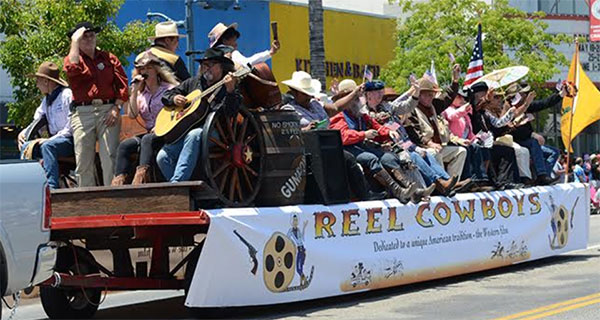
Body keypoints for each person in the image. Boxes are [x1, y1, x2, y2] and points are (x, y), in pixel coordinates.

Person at [281, 75, 386, 201]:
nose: (309, 97)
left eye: (309, 93)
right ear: (295, 93)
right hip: (309, 148)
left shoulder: (316, 104)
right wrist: (305, 130)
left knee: (349, 158)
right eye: (305, 94)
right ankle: (365, 194)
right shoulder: (288, 110)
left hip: (327, 144)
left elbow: (336, 108)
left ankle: (363, 193)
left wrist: (354, 93)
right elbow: (286, 134)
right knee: (349, 158)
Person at [329, 82, 434, 204]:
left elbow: (376, 126)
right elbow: (342, 136)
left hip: (361, 146)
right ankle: (398, 191)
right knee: (371, 158)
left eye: (357, 97)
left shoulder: (360, 115)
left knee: (388, 157)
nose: (357, 100)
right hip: (348, 149)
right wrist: (363, 134)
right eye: (354, 97)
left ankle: (412, 190)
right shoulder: (338, 115)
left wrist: (388, 132)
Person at [158, 47, 241, 182]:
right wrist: (174, 99)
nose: (205, 68)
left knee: (194, 134)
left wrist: (230, 91)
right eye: (203, 65)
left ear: (221, 67)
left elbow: (232, 112)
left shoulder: (228, 85)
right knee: (163, 156)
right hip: (186, 131)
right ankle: (187, 190)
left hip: (215, 133)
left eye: (210, 65)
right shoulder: (193, 83)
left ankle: (177, 185)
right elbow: (166, 95)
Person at [64, 22, 128, 186]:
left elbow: (122, 86)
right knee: (83, 160)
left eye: (92, 34)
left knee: (110, 157)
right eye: (84, 36)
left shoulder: (109, 58)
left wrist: (116, 107)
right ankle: (87, 202)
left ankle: (112, 199)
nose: (89, 38)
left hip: (108, 109)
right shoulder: (73, 58)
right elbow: (72, 69)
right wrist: (74, 42)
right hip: (82, 112)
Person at [111, 52, 178, 185]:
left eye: (149, 68)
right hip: (150, 133)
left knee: (147, 139)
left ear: (157, 70)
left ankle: (141, 180)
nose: (145, 71)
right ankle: (118, 182)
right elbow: (132, 115)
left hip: (168, 131)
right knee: (125, 145)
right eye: (142, 69)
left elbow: (177, 113)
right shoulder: (141, 94)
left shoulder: (169, 89)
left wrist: (160, 126)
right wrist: (134, 91)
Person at [404, 78, 472, 192]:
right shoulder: (411, 109)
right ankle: (441, 186)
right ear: (419, 95)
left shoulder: (433, 106)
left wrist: (455, 81)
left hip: (439, 145)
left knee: (461, 151)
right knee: (434, 153)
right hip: (422, 147)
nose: (430, 97)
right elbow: (413, 132)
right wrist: (428, 143)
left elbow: (448, 97)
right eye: (427, 95)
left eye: (432, 95)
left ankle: (453, 183)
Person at [18, 62, 74, 189]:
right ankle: (27, 184)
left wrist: (49, 140)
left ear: (46, 81)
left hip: (69, 141)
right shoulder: (47, 100)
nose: (37, 84)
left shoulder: (66, 95)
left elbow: (71, 127)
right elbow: (37, 119)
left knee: (48, 146)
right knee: (27, 146)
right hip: (55, 141)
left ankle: (52, 187)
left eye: (38, 81)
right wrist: (24, 132)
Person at [468, 82, 522, 189]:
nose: (489, 97)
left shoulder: (485, 113)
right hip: (475, 143)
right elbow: (477, 107)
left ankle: (505, 181)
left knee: (507, 151)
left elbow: (498, 123)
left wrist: (510, 113)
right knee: (485, 151)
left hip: (488, 143)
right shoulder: (472, 109)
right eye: (484, 94)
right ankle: (484, 182)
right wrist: (487, 99)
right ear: (477, 96)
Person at [208, 22, 280, 67]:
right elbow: (247, 63)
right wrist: (270, 52)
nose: (236, 45)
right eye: (234, 41)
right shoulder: (232, 53)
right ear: (224, 40)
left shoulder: (209, 58)